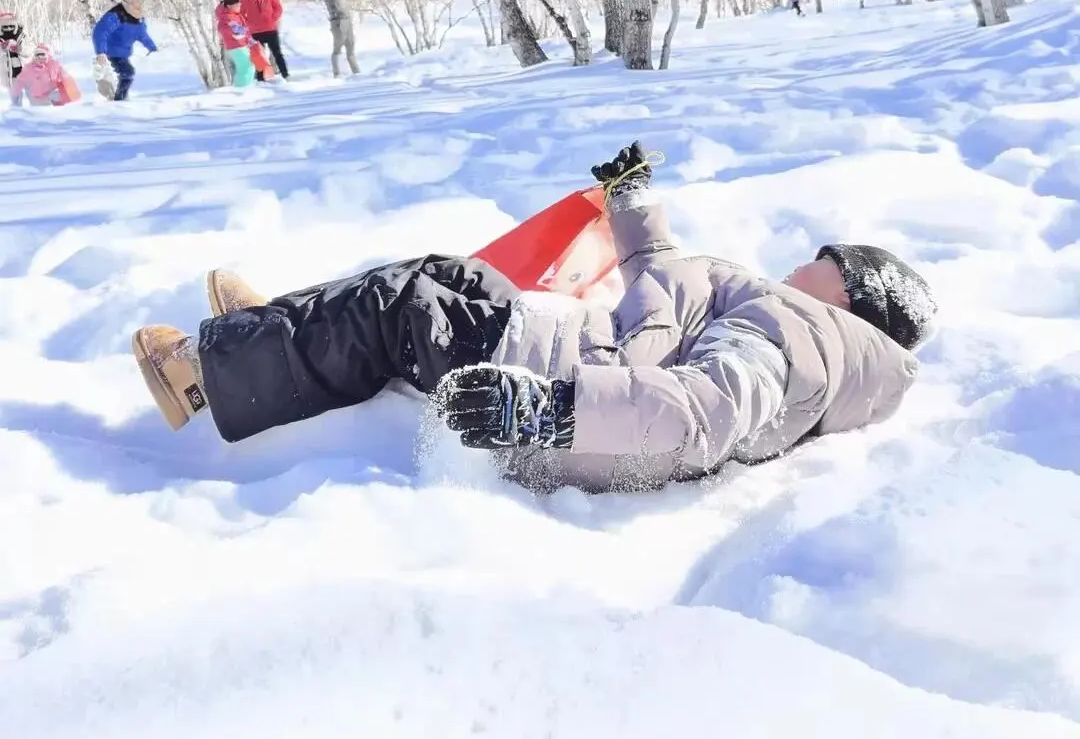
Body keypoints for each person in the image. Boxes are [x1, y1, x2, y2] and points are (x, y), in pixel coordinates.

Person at [131, 142, 938, 495]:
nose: (812, 258)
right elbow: (666, 281)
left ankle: (208, 378)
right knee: (449, 279)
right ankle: (276, 335)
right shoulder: (784, 314)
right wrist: (632, 202)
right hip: (576, 366)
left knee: (409, 305)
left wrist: (550, 412)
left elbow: (702, 414)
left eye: (831, 260)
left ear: (851, 294)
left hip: (564, 397)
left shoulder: (798, 335)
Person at [92, 0, 157, 102]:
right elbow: (100, 31)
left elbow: (142, 35)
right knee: (127, 73)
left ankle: (117, 96)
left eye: (141, 1)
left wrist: (152, 47)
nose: (139, 4)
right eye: (136, 1)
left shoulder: (138, 18)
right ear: (128, 2)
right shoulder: (116, 15)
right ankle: (119, 101)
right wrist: (101, 51)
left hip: (123, 54)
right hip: (110, 53)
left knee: (126, 74)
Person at [240, 0, 289, 80]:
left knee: (277, 53)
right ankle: (260, 80)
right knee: (259, 56)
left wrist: (272, 19)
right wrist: (249, 24)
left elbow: (278, 8)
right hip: (255, 32)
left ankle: (285, 75)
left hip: (270, 29)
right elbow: (241, 14)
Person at [318, 0, 358, 76]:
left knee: (351, 48)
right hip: (337, 20)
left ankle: (357, 73)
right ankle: (337, 74)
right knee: (338, 48)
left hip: (347, 18)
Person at [10, 44, 79, 107]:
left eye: (42, 55)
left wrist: (72, 92)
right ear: (34, 56)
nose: (40, 58)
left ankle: (60, 110)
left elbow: (66, 77)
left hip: (51, 94)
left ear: (47, 55)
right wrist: (14, 95)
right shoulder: (29, 68)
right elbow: (19, 82)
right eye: (38, 55)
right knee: (42, 108)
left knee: (57, 95)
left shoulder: (54, 65)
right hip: (37, 98)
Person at [215, 0, 257, 88]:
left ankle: (243, 88)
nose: (239, 6)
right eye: (237, 5)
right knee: (248, 67)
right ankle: (240, 89)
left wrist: (249, 39)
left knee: (247, 67)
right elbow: (222, 28)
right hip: (235, 46)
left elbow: (244, 29)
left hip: (241, 45)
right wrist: (235, 29)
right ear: (229, 6)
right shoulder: (226, 16)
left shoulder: (235, 15)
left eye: (239, 4)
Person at [0, 11, 24, 88]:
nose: (8, 28)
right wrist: (2, 49)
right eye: (5, 27)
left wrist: (19, 48)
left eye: (11, 26)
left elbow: (30, 53)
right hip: (3, 76)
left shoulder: (21, 36)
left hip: (21, 75)